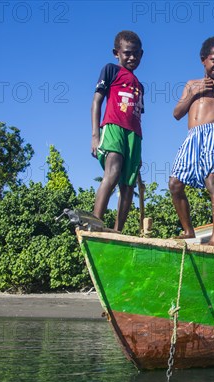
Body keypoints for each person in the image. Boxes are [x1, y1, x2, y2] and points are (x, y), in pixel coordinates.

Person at [169, 36, 214, 247]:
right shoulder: (191, 84)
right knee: (175, 184)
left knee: (213, 182)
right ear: (203, 59)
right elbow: (177, 113)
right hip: (192, 137)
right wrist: (195, 93)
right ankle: (188, 230)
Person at [91, 30, 144, 232]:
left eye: (136, 54)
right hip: (113, 126)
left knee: (128, 184)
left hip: (135, 135)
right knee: (112, 173)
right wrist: (95, 135)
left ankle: (117, 230)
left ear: (142, 54)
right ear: (117, 53)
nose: (132, 57)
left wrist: (138, 151)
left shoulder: (140, 85)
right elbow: (96, 102)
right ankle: (95, 221)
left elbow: (138, 114)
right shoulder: (111, 70)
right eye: (127, 53)